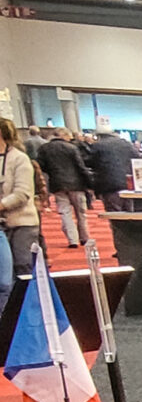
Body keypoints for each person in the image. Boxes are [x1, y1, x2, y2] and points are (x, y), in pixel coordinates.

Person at [1, 118, 43, 291]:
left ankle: (30, 305)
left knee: (24, 269)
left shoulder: (19, 158)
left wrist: (2, 205)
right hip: (2, 225)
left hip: (22, 223)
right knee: (4, 277)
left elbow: (22, 194)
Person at [38, 128, 94, 248]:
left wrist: (52, 172)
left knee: (65, 212)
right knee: (81, 213)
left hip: (57, 184)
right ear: (64, 135)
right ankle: (84, 237)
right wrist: (90, 183)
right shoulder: (71, 148)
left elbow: (41, 166)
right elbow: (80, 166)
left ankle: (72, 240)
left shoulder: (44, 148)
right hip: (77, 184)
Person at [89, 129, 137, 212]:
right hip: (127, 181)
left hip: (108, 183)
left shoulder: (97, 145)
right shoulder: (126, 143)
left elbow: (91, 163)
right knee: (129, 210)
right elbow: (138, 159)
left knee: (114, 210)